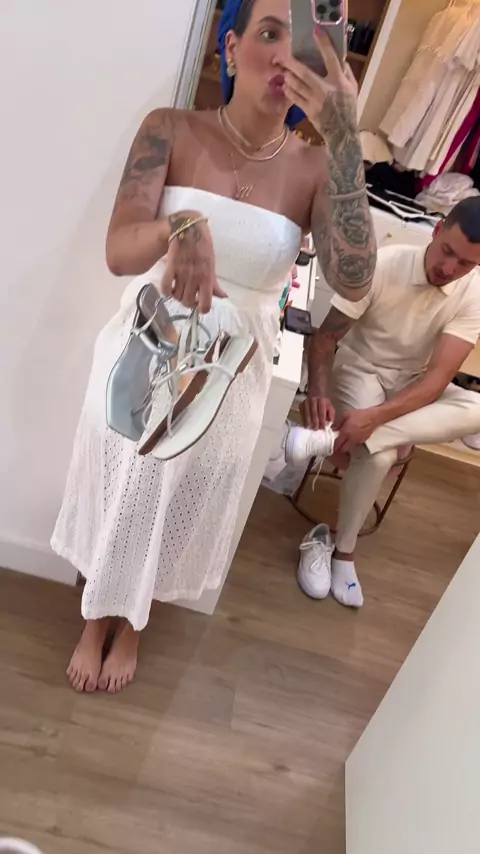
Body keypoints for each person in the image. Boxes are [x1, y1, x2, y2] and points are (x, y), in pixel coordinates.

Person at [51, 0, 376, 693]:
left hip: (233, 370)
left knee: (181, 496)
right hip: (146, 345)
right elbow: (119, 250)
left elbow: (355, 280)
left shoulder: (317, 166)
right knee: (124, 481)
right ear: (229, 48)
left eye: (303, 41)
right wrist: (179, 226)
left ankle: (133, 625)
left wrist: (347, 141)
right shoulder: (169, 129)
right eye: (268, 32)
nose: (285, 55)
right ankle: (95, 616)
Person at [287, 198, 480, 608]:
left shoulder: (473, 291)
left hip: (412, 384)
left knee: (475, 408)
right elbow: (325, 338)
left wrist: (374, 421)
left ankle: (329, 441)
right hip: (361, 369)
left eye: (466, 263)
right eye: (448, 251)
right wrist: (316, 392)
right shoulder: (381, 264)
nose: (450, 269)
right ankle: (344, 553)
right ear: (436, 230)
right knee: (379, 457)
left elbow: (436, 380)